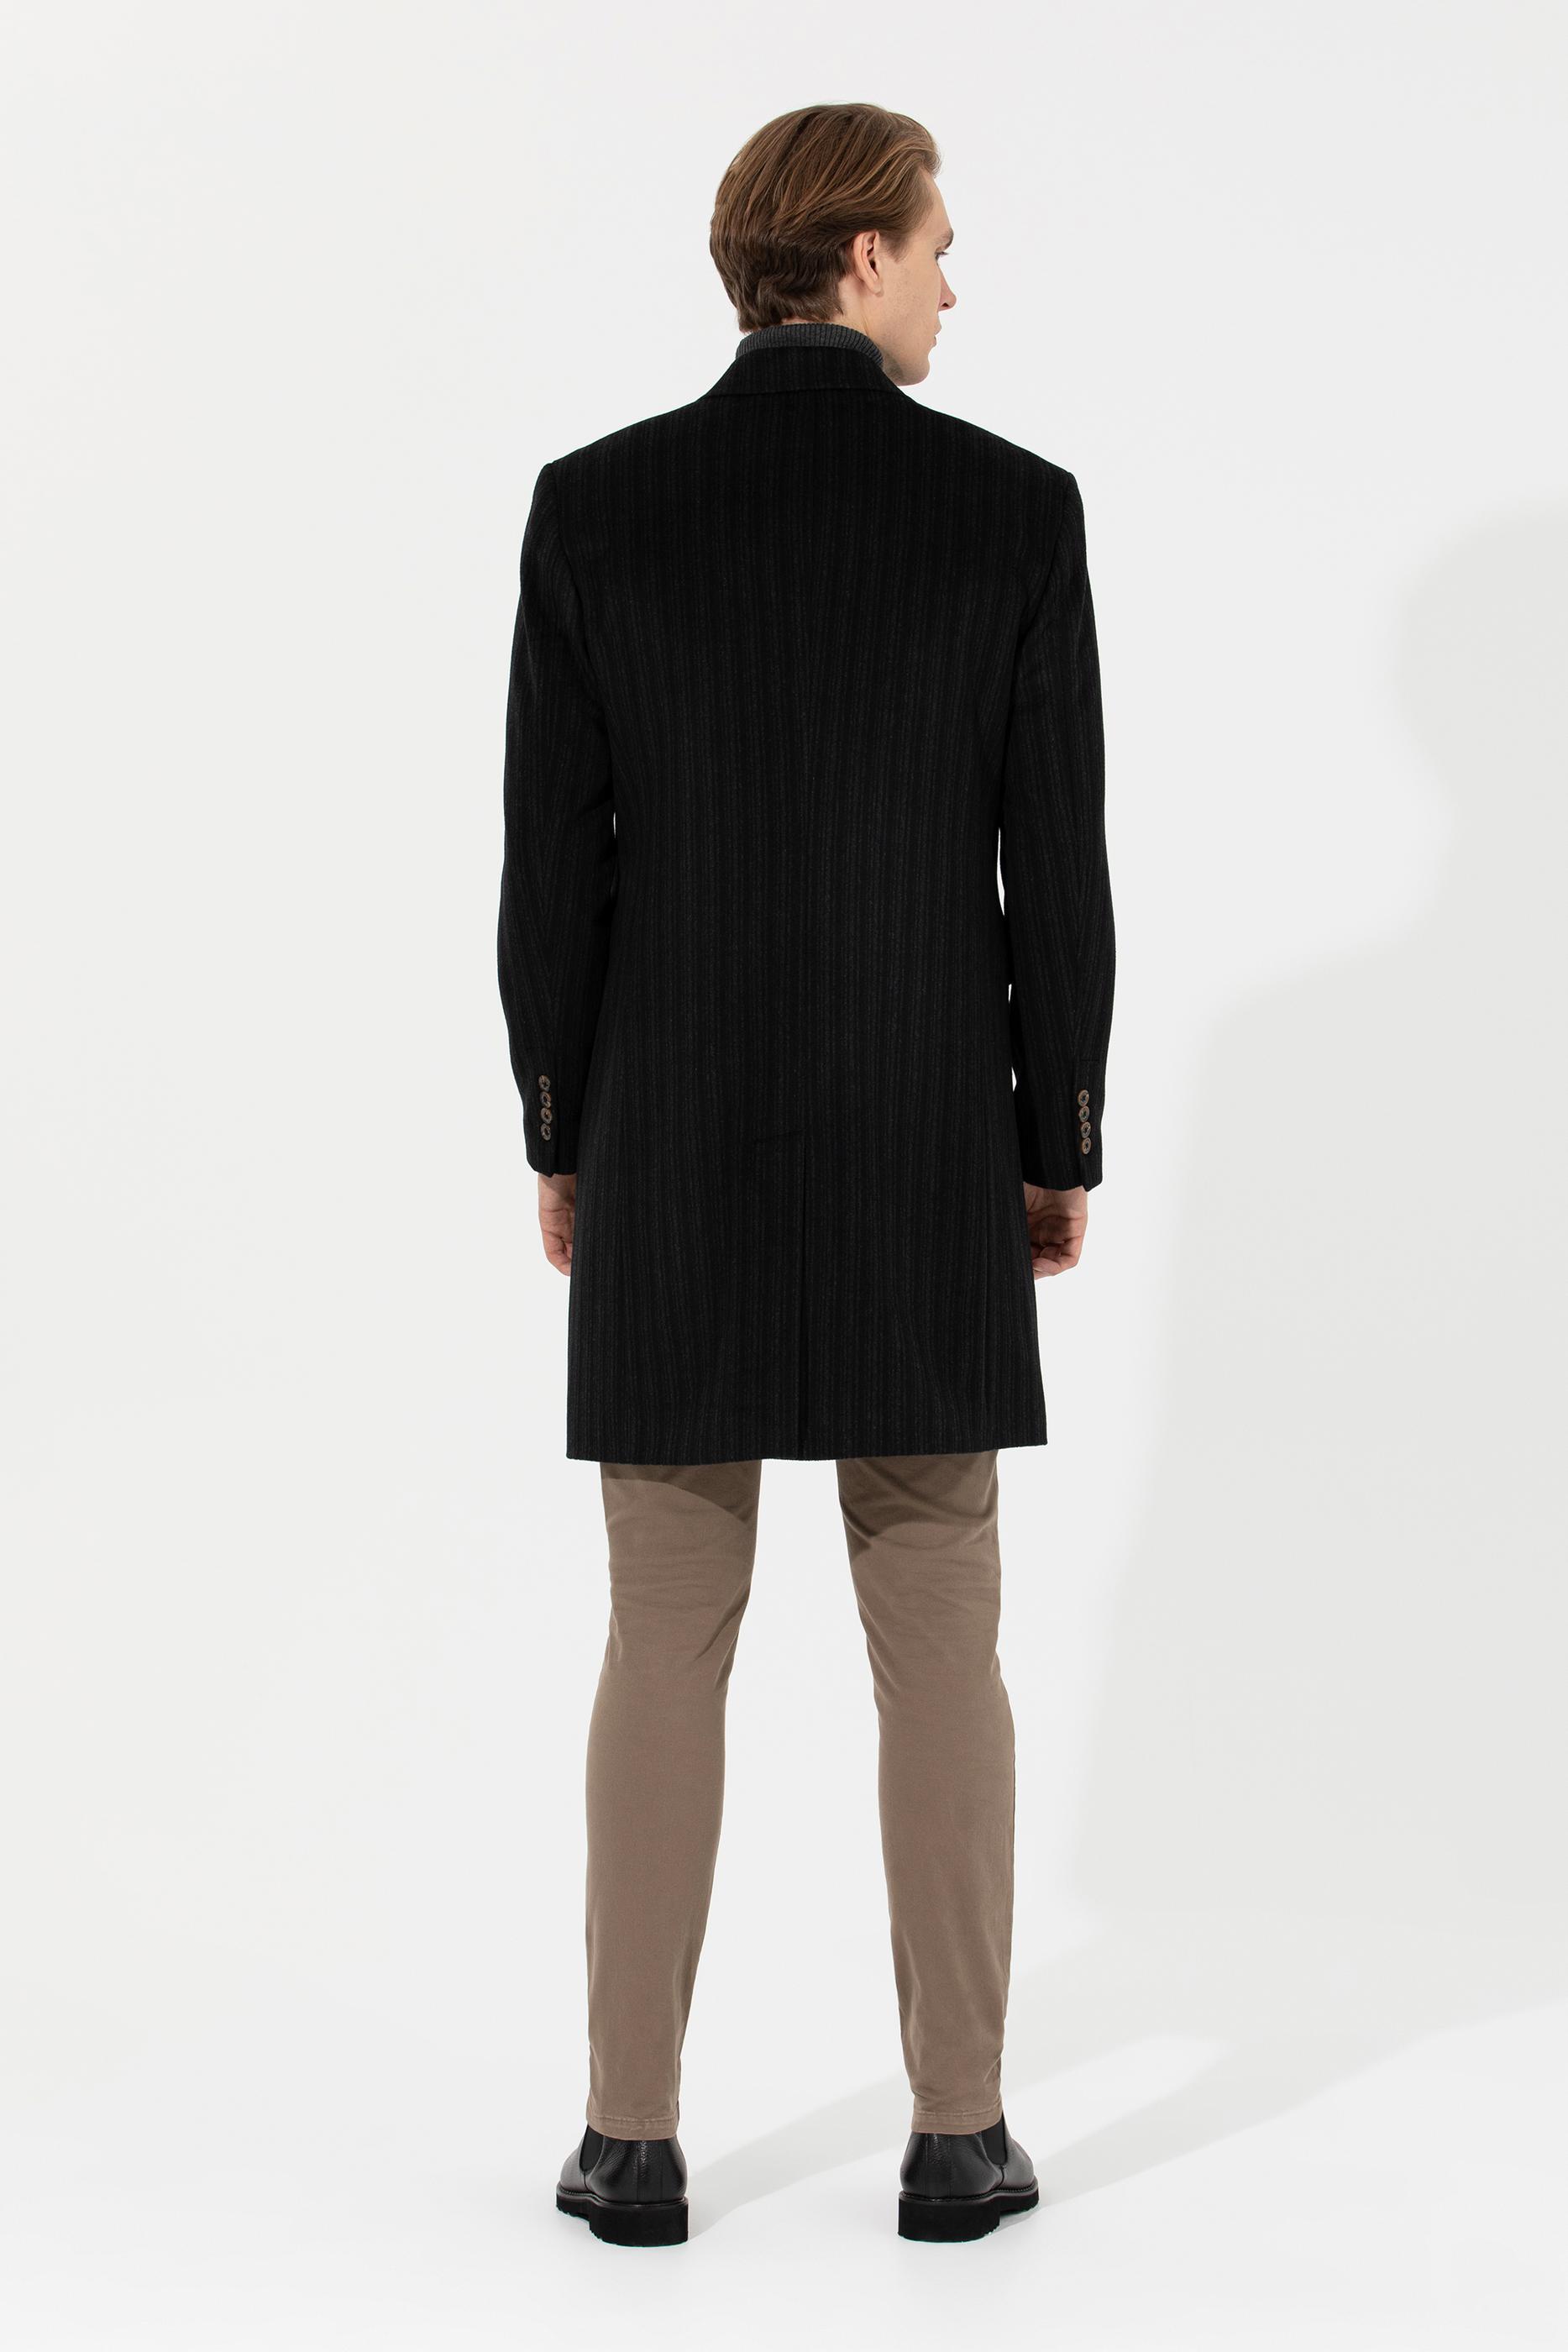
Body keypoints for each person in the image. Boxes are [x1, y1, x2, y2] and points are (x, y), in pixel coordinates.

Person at [497, 102, 1114, 2246]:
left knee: (663, 1628)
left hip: (669, 1137)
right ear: (856, 255)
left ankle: (628, 2140)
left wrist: (561, 1126)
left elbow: (547, 873)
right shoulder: (1010, 508)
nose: (954, 279)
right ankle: (957, 2132)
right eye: (938, 242)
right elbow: (1057, 869)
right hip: (922, 1140)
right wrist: (1052, 1136)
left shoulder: (595, 506)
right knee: (938, 1621)